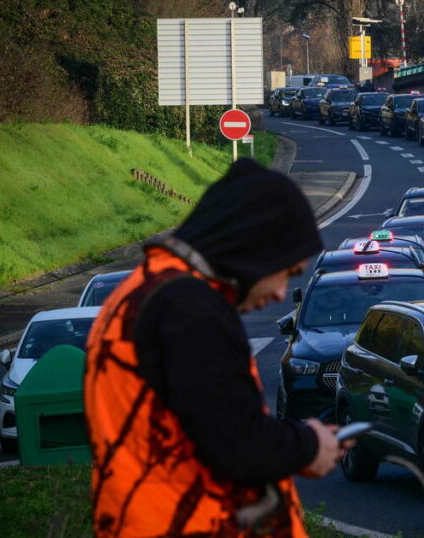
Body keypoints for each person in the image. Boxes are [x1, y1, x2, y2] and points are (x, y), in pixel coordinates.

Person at [84, 159, 343, 537]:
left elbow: (202, 425)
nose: (279, 294)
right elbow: (237, 442)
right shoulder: (190, 310)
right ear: (254, 248)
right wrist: (309, 445)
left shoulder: (140, 294)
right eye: (285, 272)